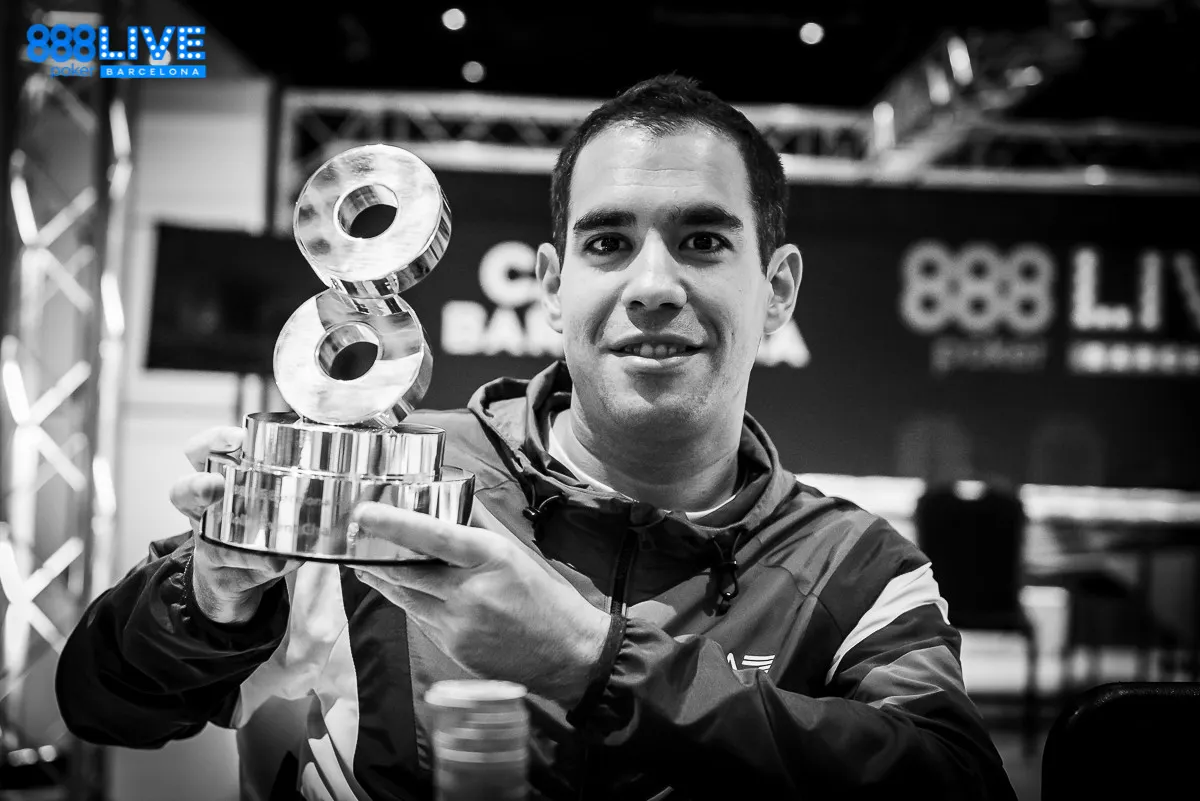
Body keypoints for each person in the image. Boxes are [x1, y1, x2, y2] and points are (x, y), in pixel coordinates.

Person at [56, 75, 1018, 800]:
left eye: (703, 240)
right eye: (608, 243)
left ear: (778, 290)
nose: (652, 285)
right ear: (553, 286)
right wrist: (209, 600)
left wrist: (590, 657)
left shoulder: (857, 569)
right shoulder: (388, 482)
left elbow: (956, 781)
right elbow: (105, 704)